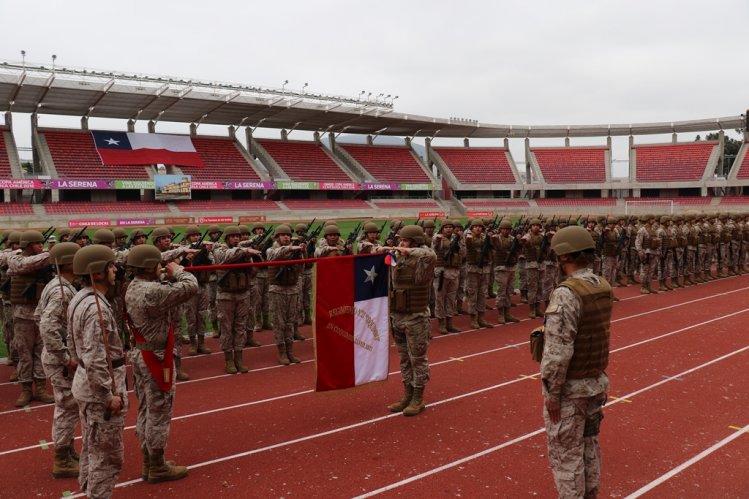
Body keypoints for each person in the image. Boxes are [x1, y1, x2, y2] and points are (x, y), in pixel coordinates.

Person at [540, 225, 612, 499]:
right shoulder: (601, 284)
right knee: (589, 447)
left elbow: (558, 352)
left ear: (564, 257)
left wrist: (552, 393)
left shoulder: (567, 293)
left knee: (566, 456)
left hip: (570, 390)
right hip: (595, 382)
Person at [125, 244, 198, 483]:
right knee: (159, 411)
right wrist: (178, 270)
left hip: (141, 354)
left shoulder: (135, 286)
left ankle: (149, 462)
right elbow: (191, 286)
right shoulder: (151, 291)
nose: (161, 266)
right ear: (148, 267)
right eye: (157, 263)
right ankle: (156, 465)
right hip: (155, 358)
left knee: (147, 408)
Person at [67, 245, 127, 499]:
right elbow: (94, 357)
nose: (115, 269)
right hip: (99, 392)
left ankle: (88, 491)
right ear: (98, 273)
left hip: (86, 385)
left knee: (92, 448)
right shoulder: (95, 308)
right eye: (110, 265)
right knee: (107, 456)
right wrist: (107, 395)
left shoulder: (80, 298)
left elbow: (73, 344)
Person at [36, 242, 81, 478]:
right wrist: (64, 356)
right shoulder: (61, 291)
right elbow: (46, 325)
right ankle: (61, 459)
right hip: (60, 361)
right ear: (67, 262)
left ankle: (68, 451)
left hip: (57, 357)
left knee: (69, 407)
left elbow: (38, 316)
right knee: (67, 407)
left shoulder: (59, 286)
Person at [384, 225, 436, 416]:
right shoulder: (397, 258)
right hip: (397, 316)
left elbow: (430, 255)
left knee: (418, 360)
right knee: (404, 359)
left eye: (404, 240)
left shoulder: (423, 259)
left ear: (415, 242)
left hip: (416, 318)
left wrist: (408, 250)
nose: (400, 244)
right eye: (400, 240)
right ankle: (407, 394)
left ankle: (418, 398)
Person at [8, 230, 55, 407]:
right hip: (22, 316)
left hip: (40, 314)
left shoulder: (43, 258)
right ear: (28, 246)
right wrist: (51, 254)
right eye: (37, 244)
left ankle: (41, 388)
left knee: (40, 352)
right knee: (24, 354)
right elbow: (24, 265)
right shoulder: (15, 258)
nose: (41, 246)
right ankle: (26, 389)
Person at [212, 226, 262, 374]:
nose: (236, 239)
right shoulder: (219, 250)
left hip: (243, 294)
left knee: (240, 327)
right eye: (232, 236)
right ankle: (228, 360)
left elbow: (253, 272)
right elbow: (225, 257)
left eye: (237, 237)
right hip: (226, 296)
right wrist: (245, 251)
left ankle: (239, 358)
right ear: (226, 238)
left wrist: (249, 259)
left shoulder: (244, 251)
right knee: (227, 328)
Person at [266, 224, 306, 365]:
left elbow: (301, 268)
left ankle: (290, 351)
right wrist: (291, 248)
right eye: (283, 235)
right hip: (278, 290)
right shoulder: (271, 250)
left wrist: (302, 252)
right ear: (277, 237)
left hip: (292, 289)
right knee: (279, 322)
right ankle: (282, 352)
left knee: (290, 322)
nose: (286, 237)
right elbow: (273, 255)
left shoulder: (295, 251)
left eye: (288, 235)